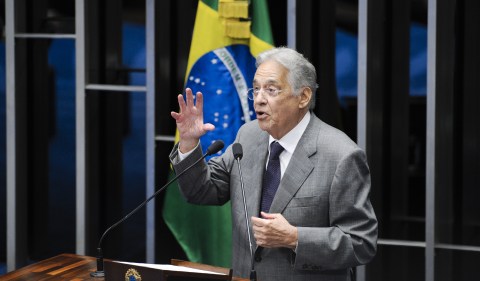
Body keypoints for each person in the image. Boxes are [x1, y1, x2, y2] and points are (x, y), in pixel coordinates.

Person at [169, 47, 377, 281]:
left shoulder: (341, 155)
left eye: (271, 89)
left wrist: (295, 237)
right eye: (255, 89)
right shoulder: (248, 136)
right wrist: (188, 144)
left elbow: (361, 243)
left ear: (304, 97)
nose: (259, 99)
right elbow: (201, 190)